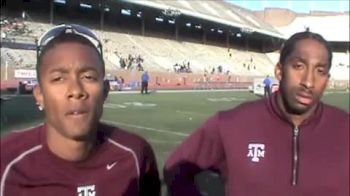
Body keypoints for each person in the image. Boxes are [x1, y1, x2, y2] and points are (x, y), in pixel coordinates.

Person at [164, 31, 349, 196]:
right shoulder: (232, 124)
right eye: (298, 66)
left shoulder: (345, 129)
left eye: (320, 71)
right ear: (279, 70)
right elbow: (175, 169)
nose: (309, 82)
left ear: (327, 79)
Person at [1, 24, 160, 196]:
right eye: (58, 78)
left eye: (88, 77)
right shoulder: (6, 161)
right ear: (40, 95)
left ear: (105, 91)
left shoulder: (136, 154)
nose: (76, 91)